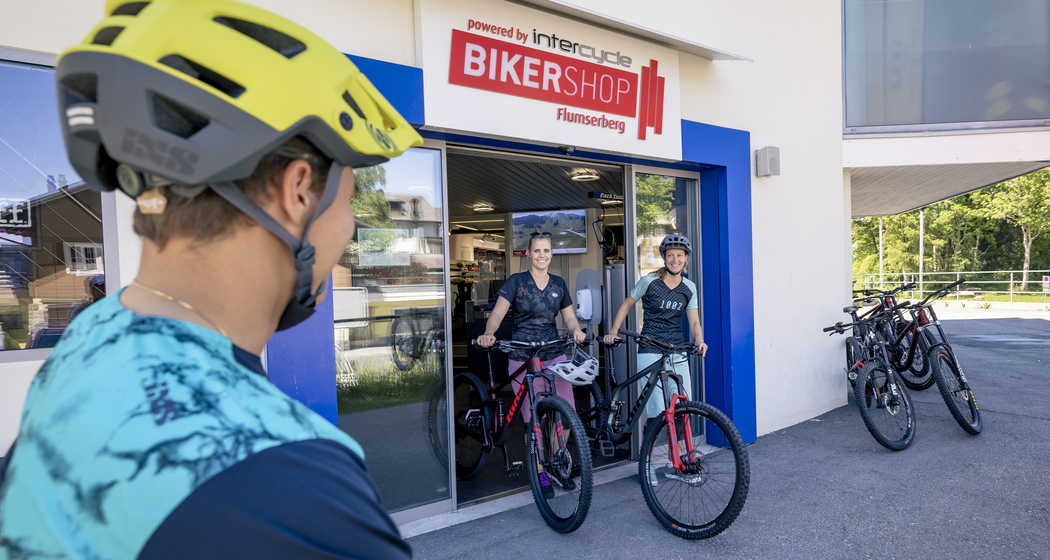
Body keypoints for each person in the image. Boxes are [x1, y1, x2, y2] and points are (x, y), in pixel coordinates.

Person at [0, 1, 421, 558]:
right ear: (298, 189)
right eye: (348, 202)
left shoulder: (91, 336)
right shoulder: (289, 479)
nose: (351, 230)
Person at [603, 234, 708, 482]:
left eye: (679, 256)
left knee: (683, 409)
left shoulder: (688, 287)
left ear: (686, 260)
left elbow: (694, 321)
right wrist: (613, 332)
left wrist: (699, 340)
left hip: (677, 350)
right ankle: (647, 463)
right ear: (664, 257)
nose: (675, 259)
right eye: (670, 255)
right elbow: (627, 304)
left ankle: (680, 462)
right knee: (658, 412)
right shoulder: (649, 281)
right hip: (650, 348)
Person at [477, 231, 588, 421]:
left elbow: (569, 317)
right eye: (537, 251)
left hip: (554, 355)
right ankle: (536, 450)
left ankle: (559, 451)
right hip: (523, 357)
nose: (542, 255)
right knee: (535, 418)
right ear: (529, 253)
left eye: (546, 250)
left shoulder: (558, 284)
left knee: (567, 415)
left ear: (552, 253)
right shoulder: (517, 281)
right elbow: (497, 313)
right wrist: (489, 332)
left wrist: (576, 329)